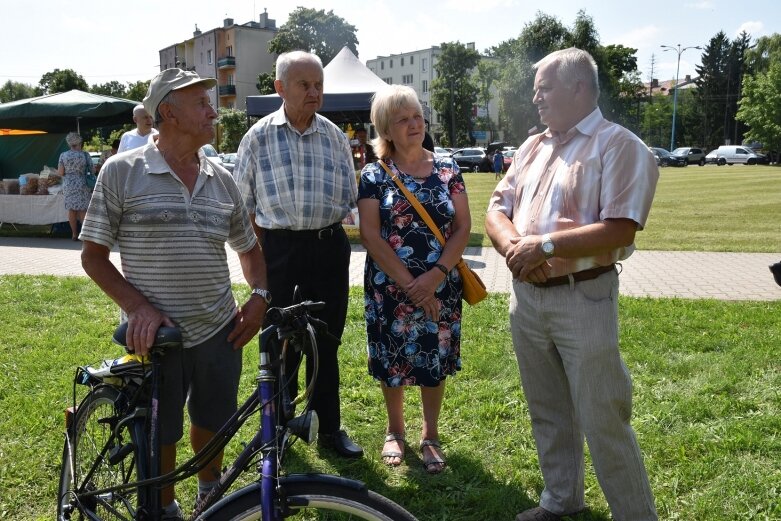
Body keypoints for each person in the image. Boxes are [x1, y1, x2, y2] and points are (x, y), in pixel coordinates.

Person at [80, 68, 269, 520]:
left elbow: (251, 251)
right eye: (201, 102)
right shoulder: (123, 172)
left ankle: (209, 497)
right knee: (161, 433)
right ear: (168, 112)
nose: (213, 110)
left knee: (214, 421)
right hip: (158, 335)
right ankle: (163, 506)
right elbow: (93, 256)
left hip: (218, 329)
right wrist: (137, 307)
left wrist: (259, 296)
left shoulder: (221, 178)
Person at [485, 48, 659, 521]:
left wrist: (542, 247)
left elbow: (622, 227)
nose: (535, 97)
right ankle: (561, 500)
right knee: (547, 409)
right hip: (528, 298)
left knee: (604, 418)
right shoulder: (532, 147)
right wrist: (515, 250)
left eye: (544, 87)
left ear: (579, 87)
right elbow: (495, 211)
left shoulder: (618, 145)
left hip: (584, 297)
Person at [233, 50, 363, 459]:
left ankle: (327, 429)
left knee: (326, 342)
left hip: (327, 248)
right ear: (280, 88)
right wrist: (260, 259)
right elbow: (244, 208)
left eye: (319, 84)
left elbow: (348, 196)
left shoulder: (335, 136)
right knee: (280, 342)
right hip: (279, 250)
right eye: (305, 85)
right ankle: (279, 430)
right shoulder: (257, 137)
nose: (314, 92)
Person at [357, 85, 470, 473]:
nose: (414, 124)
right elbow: (370, 235)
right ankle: (394, 430)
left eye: (417, 116)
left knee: (432, 356)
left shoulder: (448, 168)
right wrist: (411, 284)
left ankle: (430, 434)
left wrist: (434, 277)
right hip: (390, 286)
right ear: (386, 129)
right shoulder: (373, 174)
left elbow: (463, 227)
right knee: (392, 356)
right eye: (402, 119)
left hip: (440, 285)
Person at [57, 132, 93, 241]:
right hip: (82, 183)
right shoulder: (85, 155)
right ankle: (84, 234)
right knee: (82, 210)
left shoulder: (63, 155)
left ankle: (74, 234)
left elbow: (60, 172)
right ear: (79, 142)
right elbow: (92, 170)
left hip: (68, 184)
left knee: (71, 210)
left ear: (69, 143)